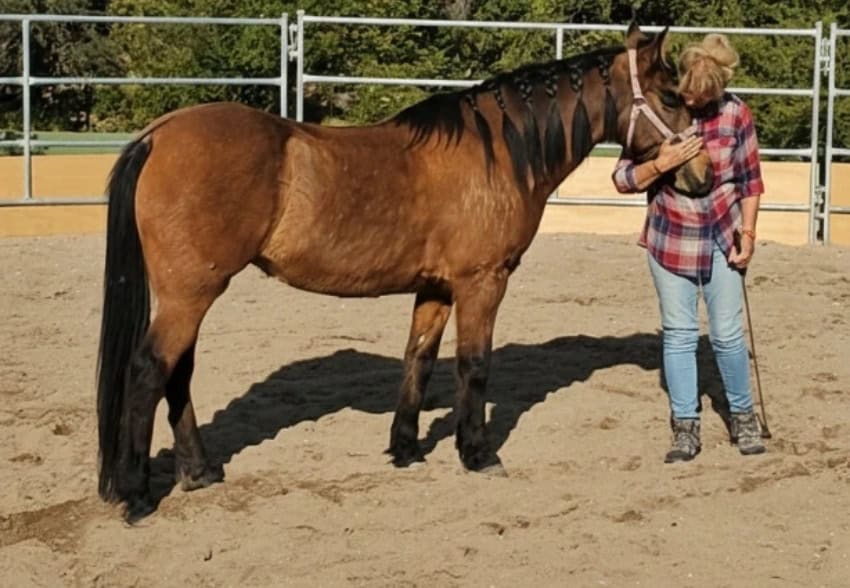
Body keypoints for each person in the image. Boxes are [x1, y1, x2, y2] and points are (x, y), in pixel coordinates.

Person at [612, 33, 766, 463]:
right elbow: (622, 178)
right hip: (670, 238)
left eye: (705, 96)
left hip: (722, 236)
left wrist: (748, 234)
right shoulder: (659, 113)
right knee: (679, 335)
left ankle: (743, 416)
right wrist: (660, 164)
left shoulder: (735, 114)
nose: (695, 102)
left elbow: (751, 182)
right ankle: (685, 425)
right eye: (690, 93)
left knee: (728, 335)